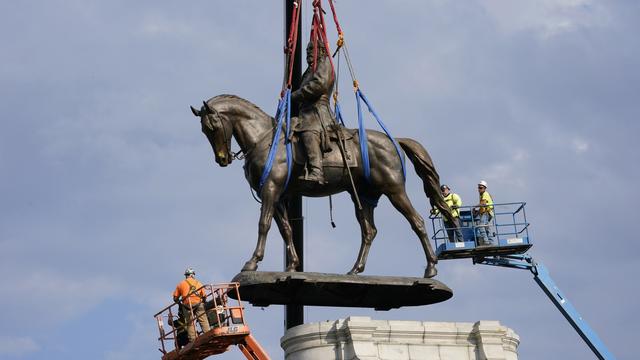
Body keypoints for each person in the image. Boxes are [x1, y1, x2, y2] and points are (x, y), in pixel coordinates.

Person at [291, 38, 336, 184]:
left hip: (317, 113)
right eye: (307, 50)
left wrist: (295, 95)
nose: (308, 52)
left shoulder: (325, 62)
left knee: (308, 131)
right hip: (305, 112)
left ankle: (317, 171)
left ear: (321, 51)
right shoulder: (309, 71)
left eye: (312, 49)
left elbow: (319, 85)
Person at [172, 267, 210, 342]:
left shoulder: (181, 284)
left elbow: (175, 298)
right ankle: (208, 335)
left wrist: (179, 303)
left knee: (190, 323)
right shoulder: (199, 283)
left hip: (187, 305)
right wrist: (204, 301)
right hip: (198, 304)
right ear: (193, 275)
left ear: (186, 275)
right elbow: (204, 296)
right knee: (203, 320)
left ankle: (192, 340)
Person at [474, 180, 494, 245]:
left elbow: (483, 203)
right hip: (486, 212)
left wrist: (474, 207)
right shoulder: (482, 195)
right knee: (487, 228)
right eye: (478, 187)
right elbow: (482, 207)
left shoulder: (485, 194)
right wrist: (477, 212)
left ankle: (486, 241)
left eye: (481, 188)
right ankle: (491, 242)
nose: (479, 189)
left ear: (485, 188)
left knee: (481, 226)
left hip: (487, 213)